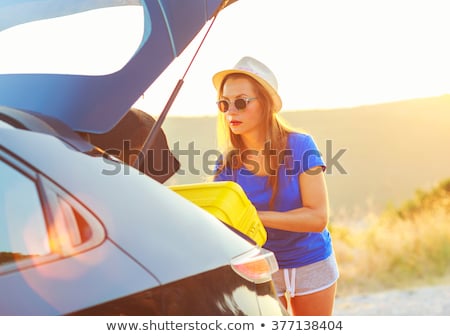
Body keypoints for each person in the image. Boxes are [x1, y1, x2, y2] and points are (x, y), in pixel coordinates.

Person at [211, 56, 339, 315]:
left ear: (266, 104)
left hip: (311, 260)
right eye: (224, 103)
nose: (230, 111)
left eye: (241, 102)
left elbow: (317, 218)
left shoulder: (301, 146)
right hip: (260, 270)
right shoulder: (226, 167)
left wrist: (254, 218)